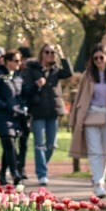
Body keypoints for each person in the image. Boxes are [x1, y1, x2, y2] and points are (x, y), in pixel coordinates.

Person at [69, 44, 106, 197]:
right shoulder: (88, 76)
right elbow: (80, 97)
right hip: (92, 114)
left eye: (101, 57)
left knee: (105, 151)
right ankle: (98, 184)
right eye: (95, 58)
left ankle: (98, 178)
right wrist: (77, 117)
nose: (99, 61)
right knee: (95, 150)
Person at [23, 43, 73, 186]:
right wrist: (36, 85)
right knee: (39, 144)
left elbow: (69, 73)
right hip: (38, 111)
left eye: (52, 53)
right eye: (47, 52)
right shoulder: (32, 70)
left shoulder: (56, 70)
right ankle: (42, 173)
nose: (50, 55)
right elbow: (26, 91)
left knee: (51, 145)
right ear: (41, 54)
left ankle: (41, 165)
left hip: (53, 111)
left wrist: (62, 55)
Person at [0, 49, 29, 185]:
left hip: (16, 116)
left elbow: (23, 94)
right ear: (8, 62)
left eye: (20, 60)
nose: (19, 63)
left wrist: (36, 86)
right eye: (16, 61)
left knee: (9, 146)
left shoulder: (17, 76)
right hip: (2, 116)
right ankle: (15, 173)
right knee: (9, 142)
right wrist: (4, 105)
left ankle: (2, 173)